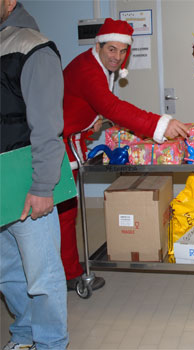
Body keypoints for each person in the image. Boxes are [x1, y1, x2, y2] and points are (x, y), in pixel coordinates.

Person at [58, 18, 189, 292]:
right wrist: (160, 124)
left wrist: (92, 120)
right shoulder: (88, 70)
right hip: (59, 146)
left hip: (73, 140)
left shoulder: (95, 64)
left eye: (122, 51)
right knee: (65, 213)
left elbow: (93, 104)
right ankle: (68, 274)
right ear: (99, 46)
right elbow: (111, 105)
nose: (117, 57)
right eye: (111, 50)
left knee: (66, 212)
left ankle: (66, 266)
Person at [0, 1, 68, 349]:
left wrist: (43, 186)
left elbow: (46, 127)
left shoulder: (33, 47)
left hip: (27, 186)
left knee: (42, 276)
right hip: (0, 189)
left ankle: (51, 343)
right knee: (8, 272)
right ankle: (25, 334)